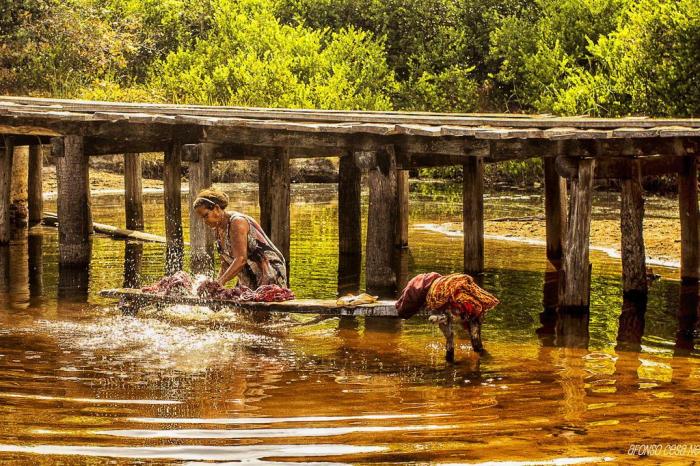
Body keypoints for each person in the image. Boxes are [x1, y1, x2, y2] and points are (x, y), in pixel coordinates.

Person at [192, 188, 288, 289]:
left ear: (216, 208)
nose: (204, 221)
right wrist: (216, 284)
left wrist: (220, 282)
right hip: (248, 276)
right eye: (202, 218)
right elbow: (225, 264)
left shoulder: (237, 222)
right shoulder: (218, 228)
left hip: (268, 272)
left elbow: (241, 259)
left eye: (206, 215)